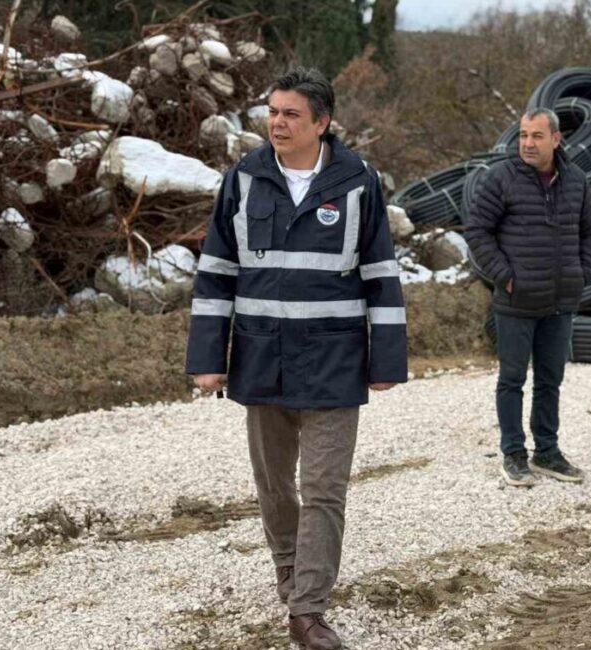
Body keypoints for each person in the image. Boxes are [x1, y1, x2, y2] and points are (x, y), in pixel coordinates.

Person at [185, 67, 406, 650]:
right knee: (275, 487)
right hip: (262, 356)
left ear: (322, 123)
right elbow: (217, 273)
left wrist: (386, 361)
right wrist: (208, 358)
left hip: (335, 361)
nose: (277, 124)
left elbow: (381, 273)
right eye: (273, 112)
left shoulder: (359, 182)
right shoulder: (244, 180)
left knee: (325, 490)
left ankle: (307, 609)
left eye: (290, 115)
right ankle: (289, 565)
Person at [464, 108, 591, 488]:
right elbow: (477, 231)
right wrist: (504, 276)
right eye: (523, 135)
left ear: (556, 139)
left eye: (537, 136)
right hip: (516, 300)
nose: (527, 143)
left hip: (560, 300)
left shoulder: (576, 181)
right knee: (511, 379)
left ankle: (548, 452)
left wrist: (582, 272)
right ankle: (513, 454)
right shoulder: (501, 178)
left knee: (550, 380)